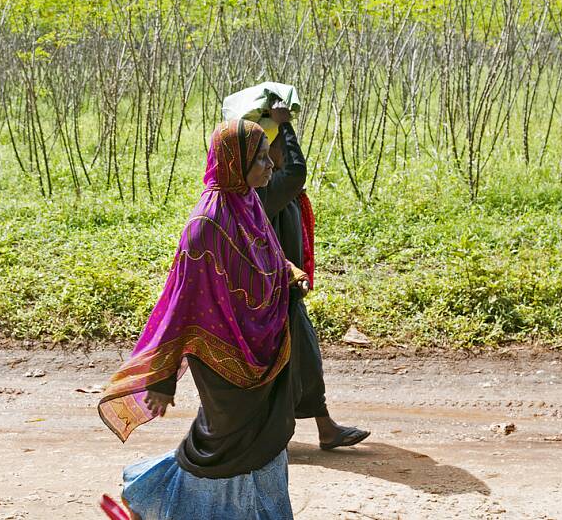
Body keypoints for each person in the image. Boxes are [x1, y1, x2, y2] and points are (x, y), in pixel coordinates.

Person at [98, 119, 308, 520]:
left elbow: (266, 260)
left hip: (267, 345)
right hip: (222, 358)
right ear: (233, 163)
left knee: (269, 436)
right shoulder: (203, 228)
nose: (269, 166)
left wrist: (288, 274)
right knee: (221, 447)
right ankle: (153, 499)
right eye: (260, 159)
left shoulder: (248, 204)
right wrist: (161, 380)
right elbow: (181, 306)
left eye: (267, 156)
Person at [257, 105, 370, 450]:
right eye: (264, 153)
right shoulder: (267, 189)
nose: (270, 158)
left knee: (303, 358)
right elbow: (297, 170)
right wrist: (284, 125)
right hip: (274, 293)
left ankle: (323, 427)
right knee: (289, 362)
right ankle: (283, 433)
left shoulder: (269, 188)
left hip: (285, 289)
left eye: (269, 151)